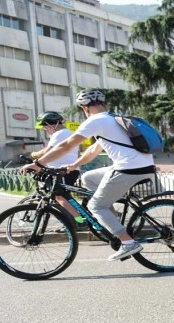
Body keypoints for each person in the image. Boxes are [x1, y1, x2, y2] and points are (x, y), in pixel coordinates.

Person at [20, 89, 155, 260]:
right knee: (88, 178)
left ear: (84, 108)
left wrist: (38, 164)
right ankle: (112, 218)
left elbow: (66, 146)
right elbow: (94, 149)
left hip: (128, 168)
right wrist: (74, 165)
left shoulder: (95, 121)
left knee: (95, 206)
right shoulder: (111, 119)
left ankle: (128, 243)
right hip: (142, 165)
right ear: (103, 103)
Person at [29, 112, 86, 222]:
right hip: (65, 170)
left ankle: (79, 221)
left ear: (50, 124)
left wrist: (33, 155)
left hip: (62, 171)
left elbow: (48, 151)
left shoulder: (60, 133)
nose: (45, 129)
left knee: (60, 197)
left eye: (45, 127)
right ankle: (70, 222)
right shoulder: (68, 133)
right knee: (59, 198)